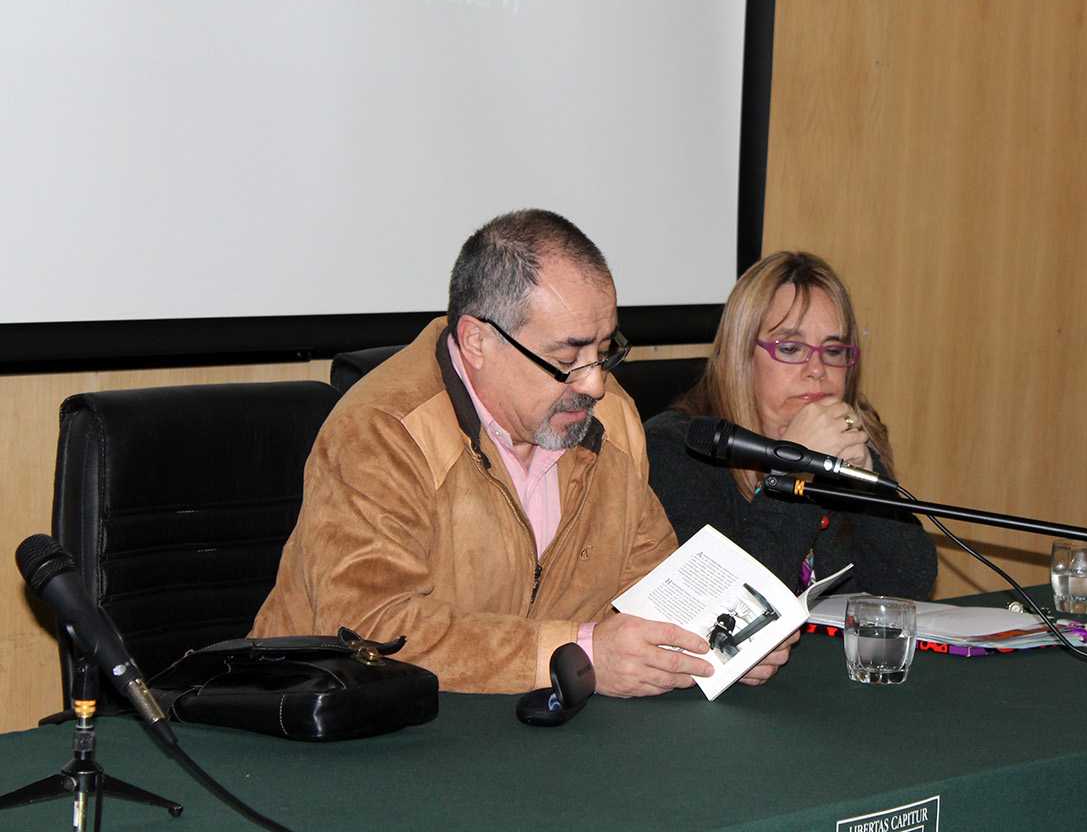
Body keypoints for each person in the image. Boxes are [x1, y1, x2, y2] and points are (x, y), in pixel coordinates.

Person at [251, 209, 792, 697]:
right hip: (337, 726)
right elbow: (371, 629)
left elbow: (650, 584)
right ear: (477, 342)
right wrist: (578, 653)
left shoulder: (610, 420)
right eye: (567, 358)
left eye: (605, 350)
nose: (595, 384)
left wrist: (717, 639)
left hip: (529, 734)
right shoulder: (382, 431)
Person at [645, 251, 937, 599]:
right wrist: (794, 471)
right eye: (790, 348)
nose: (817, 369)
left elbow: (909, 588)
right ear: (741, 357)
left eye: (833, 351)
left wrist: (866, 483)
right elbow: (725, 608)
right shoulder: (677, 451)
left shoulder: (849, 435)